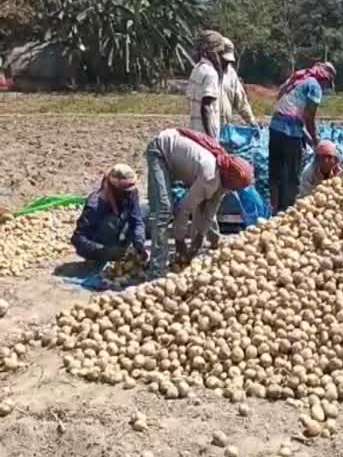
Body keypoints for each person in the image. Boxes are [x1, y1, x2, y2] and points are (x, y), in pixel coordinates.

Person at [145, 128, 253, 278]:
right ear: (231, 179)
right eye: (237, 187)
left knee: (199, 203)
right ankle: (157, 270)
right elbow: (185, 208)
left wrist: (200, 237)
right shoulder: (210, 175)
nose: (236, 190)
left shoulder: (223, 178)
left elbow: (210, 210)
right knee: (164, 208)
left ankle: (206, 244)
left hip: (177, 155)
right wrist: (180, 241)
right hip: (160, 151)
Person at [269, 62, 336, 213]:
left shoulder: (298, 78)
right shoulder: (314, 86)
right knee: (292, 175)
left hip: (275, 128)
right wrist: (317, 141)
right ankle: (288, 210)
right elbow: (308, 118)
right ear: (325, 79)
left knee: (276, 172)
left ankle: (274, 209)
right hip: (289, 133)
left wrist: (310, 140)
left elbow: (294, 115)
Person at [71, 164, 146, 262]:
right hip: (101, 244)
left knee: (146, 212)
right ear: (116, 188)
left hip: (120, 233)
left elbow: (136, 220)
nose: (129, 193)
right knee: (111, 223)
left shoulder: (130, 192)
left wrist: (139, 241)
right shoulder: (95, 205)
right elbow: (78, 239)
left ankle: (123, 248)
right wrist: (105, 251)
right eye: (125, 190)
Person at [187, 30, 226, 140]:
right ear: (214, 52)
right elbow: (206, 107)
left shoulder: (197, 69)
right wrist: (211, 139)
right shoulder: (211, 74)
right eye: (220, 52)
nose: (222, 56)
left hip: (194, 132)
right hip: (204, 135)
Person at [220, 37, 256, 127]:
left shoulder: (231, 73)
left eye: (228, 61)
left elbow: (241, 101)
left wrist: (251, 122)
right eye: (224, 59)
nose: (226, 62)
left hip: (223, 127)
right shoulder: (204, 71)